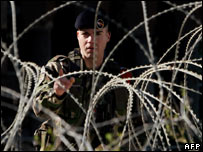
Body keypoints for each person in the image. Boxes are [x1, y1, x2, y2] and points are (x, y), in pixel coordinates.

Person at [33, 8, 132, 151]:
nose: (91, 40)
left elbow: (136, 125)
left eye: (97, 34)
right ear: (78, 36)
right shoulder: (61, 69)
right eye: (85, 34)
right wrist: (57, 94)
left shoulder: (118, 76)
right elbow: (38, 109)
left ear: (108, 36)